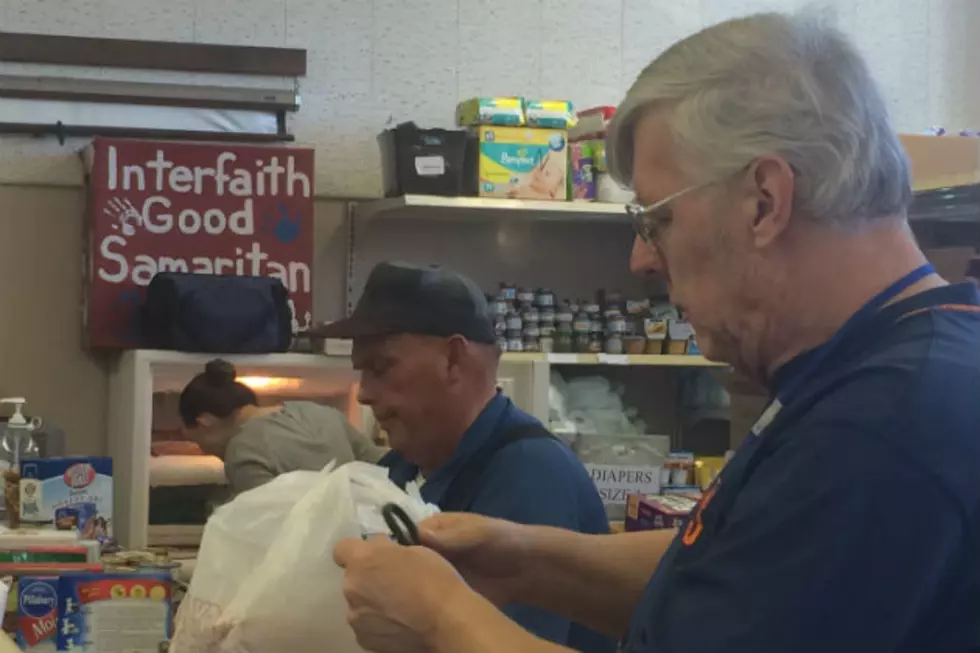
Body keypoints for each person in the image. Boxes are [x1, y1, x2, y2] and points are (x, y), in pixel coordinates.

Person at [333, 12, 980, 653]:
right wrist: (527, 560)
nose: (641, 259)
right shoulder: (888, 370)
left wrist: (442, 617)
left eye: (658, 219)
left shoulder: (882, 425)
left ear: (765, 200)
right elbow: (746, 578)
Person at [318, 261, 615, 653]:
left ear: (453, 359)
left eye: (380, 367)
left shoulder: (530, 475)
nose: (363, 394)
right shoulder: (399, 467)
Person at [178, 358, 384, 496]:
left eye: (197, 441)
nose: (204, 451)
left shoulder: (242, 452)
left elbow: (267, 530)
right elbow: (383, 464)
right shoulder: (319, 412)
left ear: (205, 421)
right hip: (364, 539)